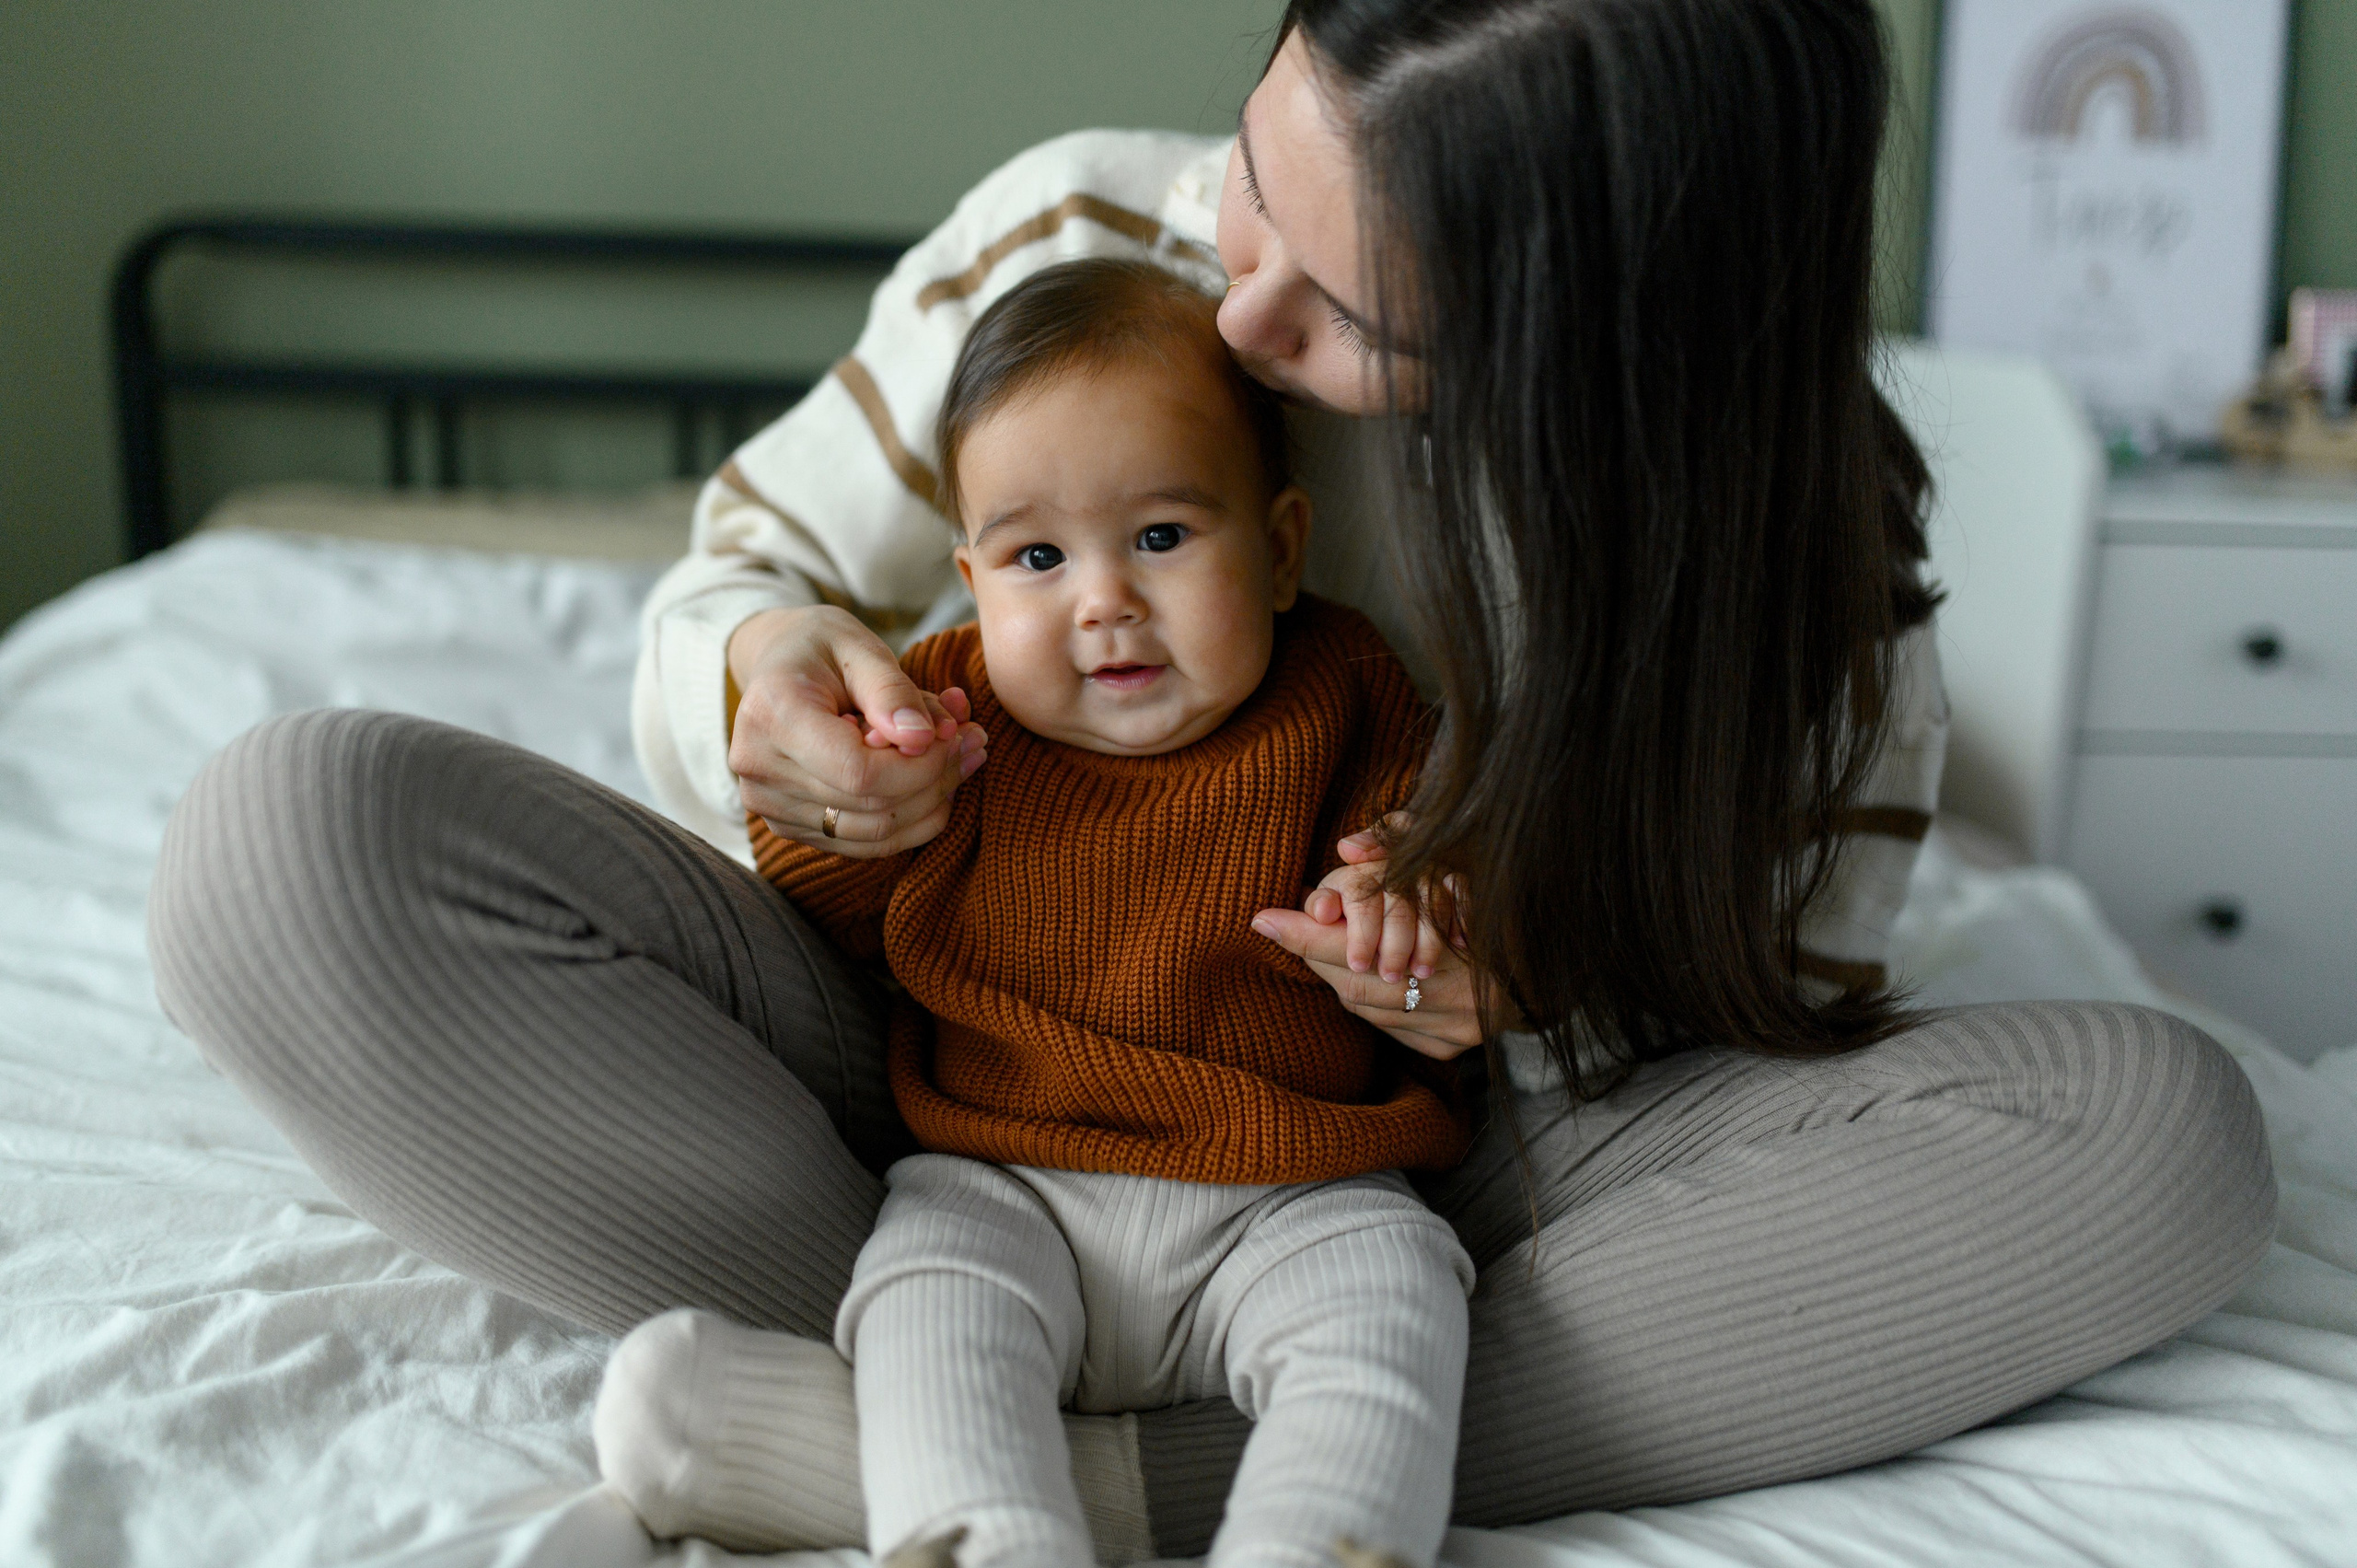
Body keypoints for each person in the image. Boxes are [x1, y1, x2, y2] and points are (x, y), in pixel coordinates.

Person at [147, 1, 2276, 1561]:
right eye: (1258, 168)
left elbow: (1730, 1062)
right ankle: (1004, 1379)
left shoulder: (1795, 587)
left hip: (1410, 1189)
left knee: (2152, 1133)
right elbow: (750, 569)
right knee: (282, 851)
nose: (1233, 303)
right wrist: (763, 697)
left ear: (1592, 347)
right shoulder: (1090, 233)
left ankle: (1014, 1470)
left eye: (1352, 318)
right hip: (943, 1088)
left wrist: (1507, 996)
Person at [621, 255, 1477, 1568]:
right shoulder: (945, 715)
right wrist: (854, 807)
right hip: (1003, 1175)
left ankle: (1324, 1540)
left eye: (1162, 537)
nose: (1104, 602)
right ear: (971, 578)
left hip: (1294, 1188)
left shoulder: (1350, 688)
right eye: (1036, 556)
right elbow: (820, 917)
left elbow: (1430, 866)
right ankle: (986, 1537)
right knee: (923, 1297)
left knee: (1398, 1291)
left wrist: (1402, 896)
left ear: (1285, 546)